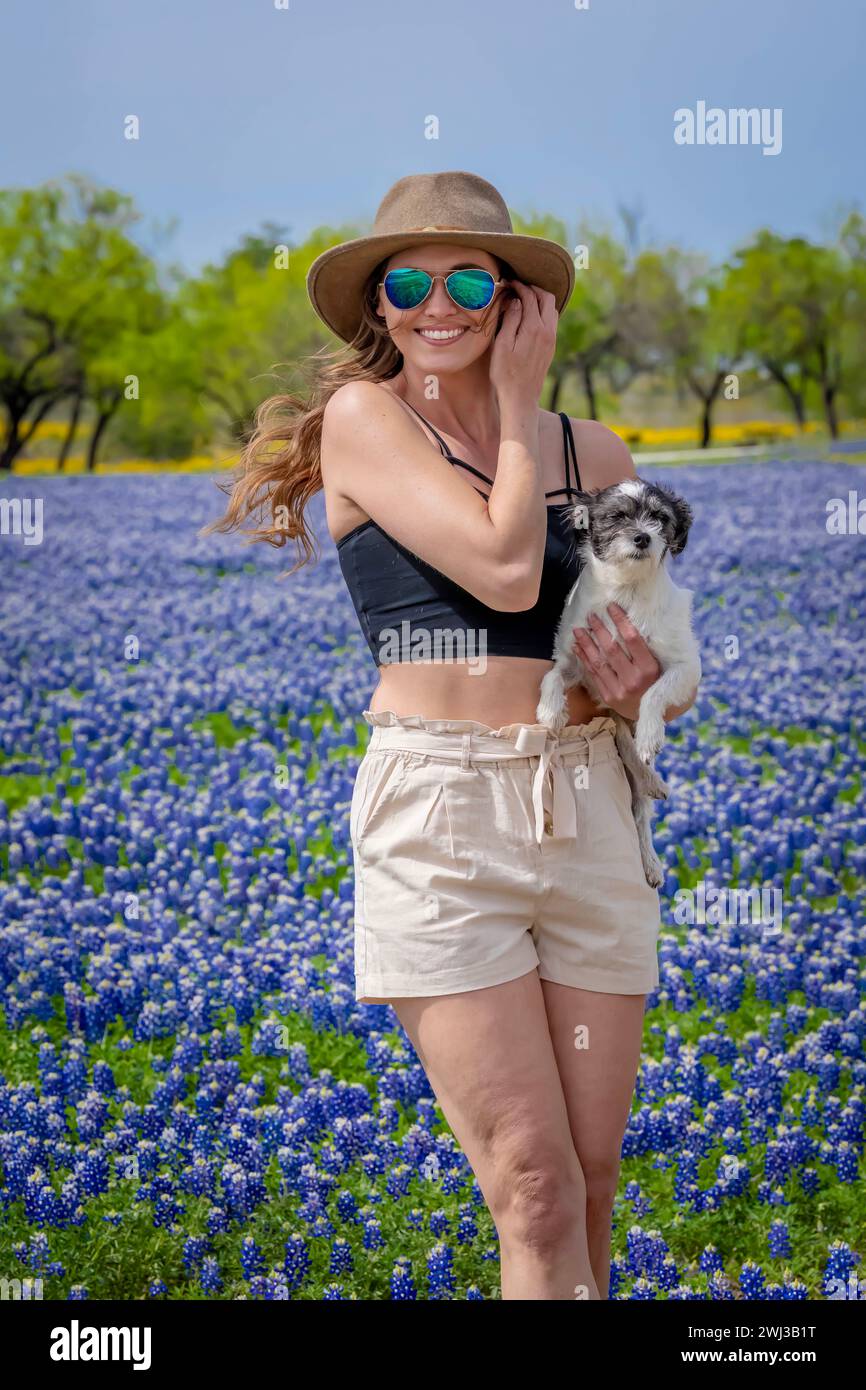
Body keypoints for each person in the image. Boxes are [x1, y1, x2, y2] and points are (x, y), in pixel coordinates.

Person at [210, 170, 699, 1300]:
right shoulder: (364, 421)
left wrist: (633, 690)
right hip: (442, 816)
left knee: (588, 1179)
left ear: (515, 295)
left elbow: (658, 659)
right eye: (407, 282)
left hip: (586, 807)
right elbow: (500, 562)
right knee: (528, 1187)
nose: (438, 302)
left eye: (468, 277)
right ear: (377, 307)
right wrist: (523, 406)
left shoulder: (605, 456)